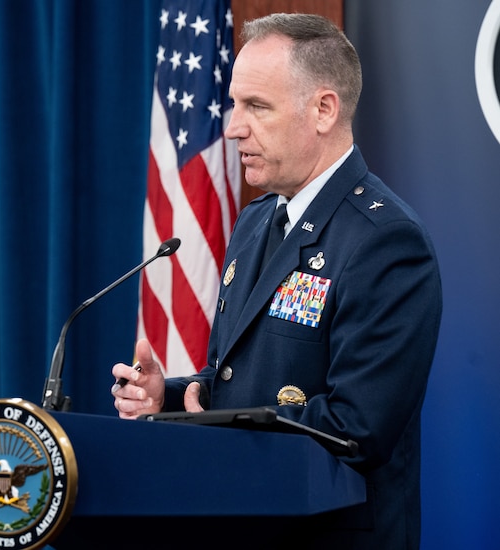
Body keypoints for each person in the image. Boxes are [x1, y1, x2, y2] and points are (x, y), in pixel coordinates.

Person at [110, 13, 442, 549]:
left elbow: (357, 427)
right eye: (235, 104)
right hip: (244, 523)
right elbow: (235, 376)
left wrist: (218, 427)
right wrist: (166, 398)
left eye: (256, 107)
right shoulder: (257, 220)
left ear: (324, 110)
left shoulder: (386, 240)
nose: (234, 127)